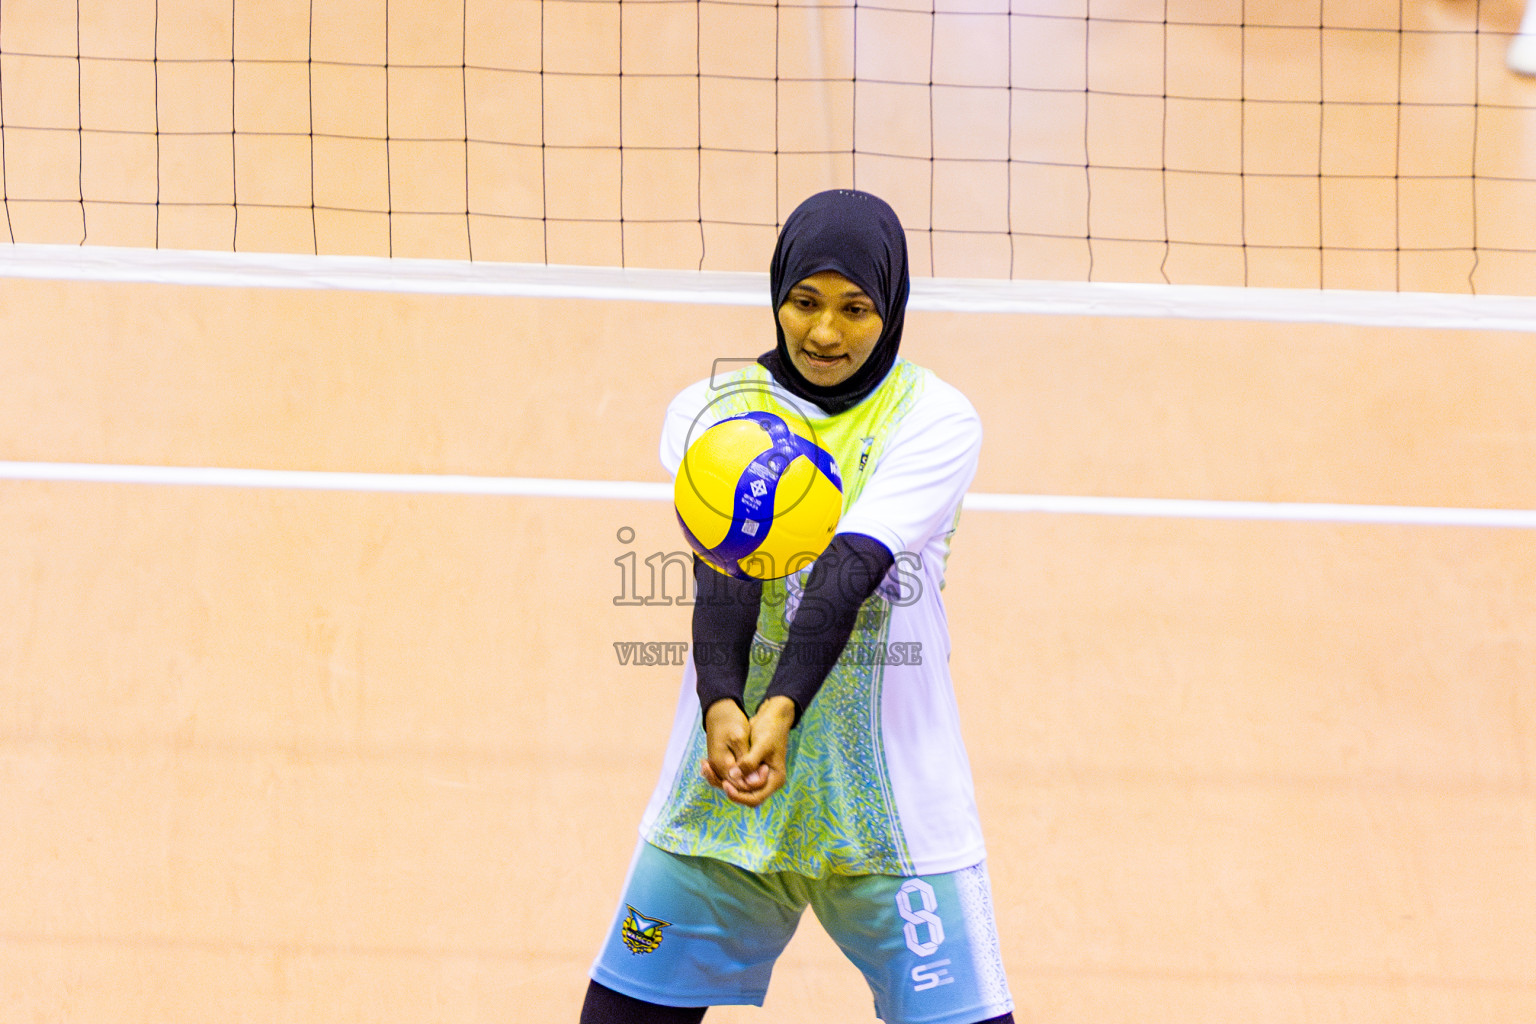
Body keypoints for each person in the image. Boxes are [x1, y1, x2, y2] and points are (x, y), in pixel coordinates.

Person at [581, 189, 1015, 1024]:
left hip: (892, 814)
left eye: (855, 309)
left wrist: (778, 706)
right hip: (726, 782)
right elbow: (729, 571)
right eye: (805, 302)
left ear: (890, 309)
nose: (824, 333)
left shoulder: (934, 418)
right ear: (776, 294)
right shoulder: (712, 410)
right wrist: (722, 705)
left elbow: (849, 568)